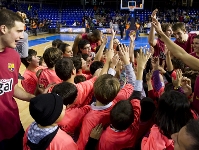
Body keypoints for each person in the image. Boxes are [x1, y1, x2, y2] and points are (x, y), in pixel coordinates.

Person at [0, 9, 35, 149]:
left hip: (12, 124)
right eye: (19, 31)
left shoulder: (14, 56)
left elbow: (11, 87)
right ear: (3, 29)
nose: (22, 36)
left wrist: (33, 97)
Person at [151, 16, 199, 115]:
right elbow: (181, 55)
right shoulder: (177, 44)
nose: (194, 46)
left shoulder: (193, 36)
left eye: (197, 43)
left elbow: (182, 55)